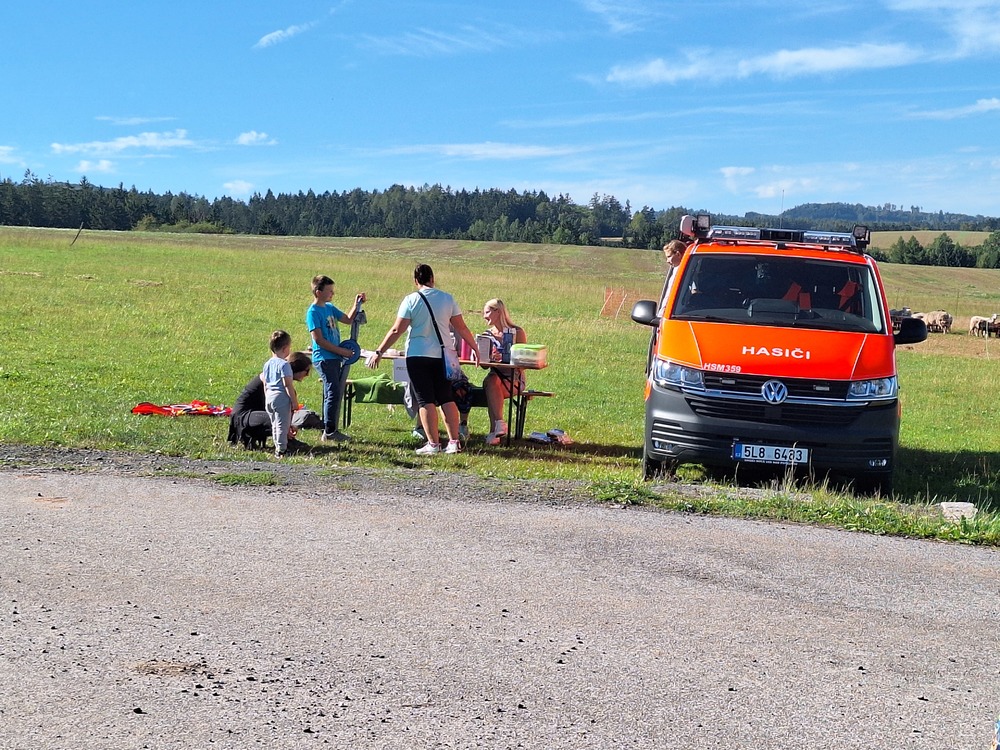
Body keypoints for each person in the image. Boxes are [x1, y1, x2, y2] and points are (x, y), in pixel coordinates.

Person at [366, 264, 478, 456]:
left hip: (418, 355)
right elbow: (461, 327)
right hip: (443, 355)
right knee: (446, 397)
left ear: (415, 281)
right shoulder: (447, 298)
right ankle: (454, 442)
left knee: (426, 400)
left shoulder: (411, 300)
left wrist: (379, 351)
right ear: (432, 279)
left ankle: (433, 443)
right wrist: (474, 347)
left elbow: (397, 329)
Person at [306, 275, 366, 443]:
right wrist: (341, 351)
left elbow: (348, 319)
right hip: (324, 358)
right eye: (329, 291)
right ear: (318, 292)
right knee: (333, 391)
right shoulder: (313, 312)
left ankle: (328, 429)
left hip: (334, 357)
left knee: (332, 392)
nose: (333, 294)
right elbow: (319, 340)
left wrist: (356, 304)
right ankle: (330, 431)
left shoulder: (330, 307)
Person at [229, 351, 313, 451]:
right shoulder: (272, 380)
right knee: (279, 421)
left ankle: (286, 441)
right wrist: (286, 426)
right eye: (306, 371)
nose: (307, 375)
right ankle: (285, 445)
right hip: (244, 416)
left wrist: (289, 425)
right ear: (297, 369)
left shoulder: (280, 381)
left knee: (281, 421)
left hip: (257, 413)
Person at [480, 298, 527, 446]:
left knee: (492, 386)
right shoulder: (486, 335)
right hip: (495, 377)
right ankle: (499, 425)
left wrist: (508, 359)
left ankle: (494, 430)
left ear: (498, 312)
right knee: (492, 381)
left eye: (487, 312)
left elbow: (524, 363)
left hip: (514, 378)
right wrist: (487, 357)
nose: (484, 316)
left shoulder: (517, 332)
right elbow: (484, 367)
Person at [261, 331, 300, 458]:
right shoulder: (284, 365)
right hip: (281, 397)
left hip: (269, 396)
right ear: (285, 348)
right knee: (282, 424)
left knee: (274, 424)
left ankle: (277, 446)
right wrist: (294, 401)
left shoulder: (267, 364)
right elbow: (287, 384)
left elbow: (265, 383)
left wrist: (267, 396)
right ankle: (282, 449)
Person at [658, 239, 688, 314]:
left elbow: (669, 295)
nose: (667, 261)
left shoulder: (683, 271)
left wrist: (662, 313)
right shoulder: (676, 269)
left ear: (678, 254)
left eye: (669, 257)